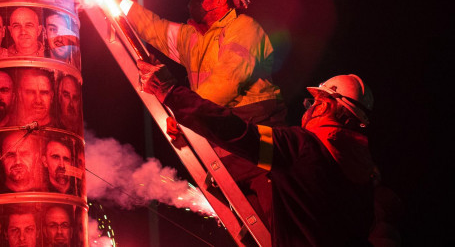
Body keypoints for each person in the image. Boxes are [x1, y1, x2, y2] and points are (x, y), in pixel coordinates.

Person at [138, 61, 377, 246]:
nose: (308, 109)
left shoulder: (299, 148)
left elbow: (237, 133)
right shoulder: (364, 180)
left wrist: (172, 92)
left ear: (324, 105)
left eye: (311, 103)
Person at [122, 0, 283, 122]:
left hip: (253, 129)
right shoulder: (192, 36)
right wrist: (121, 4)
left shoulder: (244, 28)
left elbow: (226, 81)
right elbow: (153, 28)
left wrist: (185, 113)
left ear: (219, 1)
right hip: (219, 127)